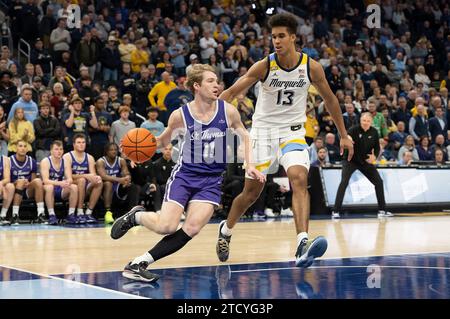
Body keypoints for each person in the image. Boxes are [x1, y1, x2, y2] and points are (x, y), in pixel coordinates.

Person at [214, 13, 353, 268]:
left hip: (293, 132)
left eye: (281, 36)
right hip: (263, 133)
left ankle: (302, 243)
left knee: (300, 179)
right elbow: (233, 92)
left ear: (293, 38)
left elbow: (331, 100)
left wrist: (344, 135)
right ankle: (226, 229)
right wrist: (205, 117)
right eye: (273, 37)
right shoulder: (264, 66)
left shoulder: (311, 67)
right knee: (251, 193)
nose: (276, 41)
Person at [110, 64, 264, 282]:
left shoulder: (228, 111)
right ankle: (136, 216)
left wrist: (249, 164)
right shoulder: (179, 115)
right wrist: (136, 150)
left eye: (217, 81)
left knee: (191, 228)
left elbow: (245, 136)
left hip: (211, 181)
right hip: (185, 175)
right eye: (210, 81)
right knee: (167, 226)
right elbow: (162, 141)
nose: (217, 85)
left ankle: (139, 263)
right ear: (196, 86)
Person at [332, 113, 392, 219]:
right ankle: (335, 211)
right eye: (364, 120)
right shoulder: (354, 129)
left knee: (379, 182)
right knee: (344, 182)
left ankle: (382, 210)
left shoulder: (374, 132)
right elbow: (346, 135)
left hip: (365, 161)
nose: (365, 123)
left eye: (368, 121)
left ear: (371, 122)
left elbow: (377, 147)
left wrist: (374, 156)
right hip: (350, 160)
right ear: (360, 120)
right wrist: (348, 138)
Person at [62, 133, 103, 224]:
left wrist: (96, 177)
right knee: (82, 180)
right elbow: (68, 177)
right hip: (69, 186)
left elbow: (92, 175)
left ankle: (88, 213)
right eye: (79, 142)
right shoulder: (67, 157)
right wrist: (85, 176)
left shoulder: (90, 157)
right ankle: (80, 212)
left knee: (99, 182)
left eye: (83, 142)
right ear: (73, 144)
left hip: (84, 186)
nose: (81, 144)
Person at [96, 143, 139, 224]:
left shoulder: (121, 160)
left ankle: (132, 213)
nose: (114, 152)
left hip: (118, 188)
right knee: (108, 183)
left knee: (133, 186)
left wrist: (127, 178)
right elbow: (103, 176)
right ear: (106, 151)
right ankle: (108, 212)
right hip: (104, 190)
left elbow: (125, 172)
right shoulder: (100, 161)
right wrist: (120, 179)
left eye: (115, 150)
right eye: (111, 150)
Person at [40, 140, 78, 225]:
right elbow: (45, 180)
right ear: (51, 151)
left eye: (61, 149)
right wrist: (60, 183)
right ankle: (51, 215)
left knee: (74, 187)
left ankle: (71, 214)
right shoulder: (45, 161)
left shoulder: (65, 161)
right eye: (56, 149)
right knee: (50, 187)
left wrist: (68, 181)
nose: (59, 151)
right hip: (47, 189)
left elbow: (70, 178)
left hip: (60, 188)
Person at [9, 140, 45, 225]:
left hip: (27, 190)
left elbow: (32, 180)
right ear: (15, 148)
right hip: (13, 190)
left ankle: (40, 213)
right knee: (20, 182)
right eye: (20, 146)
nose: (23, 148)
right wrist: (18, 182)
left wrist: (28, 184)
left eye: (25, 146)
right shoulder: (9, 161)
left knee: (38, 181)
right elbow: (8, 183)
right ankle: (15, 215)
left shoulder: (31, 161)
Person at [0, 155, 15, 226]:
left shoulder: (5, 159)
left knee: (10, 186)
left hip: (0, 185)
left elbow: (7, 179)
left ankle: (2, 216)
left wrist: (0, 184)